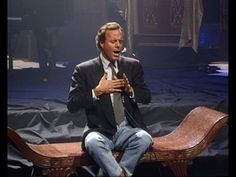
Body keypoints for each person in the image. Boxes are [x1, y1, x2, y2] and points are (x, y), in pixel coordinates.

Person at [67, 22, 153, 177]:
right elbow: (72, 105)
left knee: (145, 139)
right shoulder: (84, 69)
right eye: (113, 42)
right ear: (101, 44)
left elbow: (146, 96)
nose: (118, 46)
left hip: (127, 130)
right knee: (92, 142)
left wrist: (130, 90)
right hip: (100, 130)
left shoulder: (132, 66)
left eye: (120, 41)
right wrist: (97, 91)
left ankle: (121, 174)